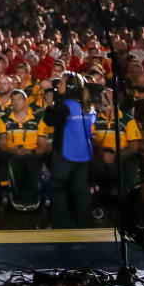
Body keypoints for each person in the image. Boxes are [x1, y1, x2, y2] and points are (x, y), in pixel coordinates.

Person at [43, 71, 97, 228]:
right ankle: (84, 226)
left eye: (61, 83)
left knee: (57, 188)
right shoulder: (87, 105)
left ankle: (61, 226)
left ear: (70, 87)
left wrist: (49, 105)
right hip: (85, 155)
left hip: (65, 155)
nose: (58, 85)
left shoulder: (63, 106)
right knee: (82, 191)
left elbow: (50, 121)